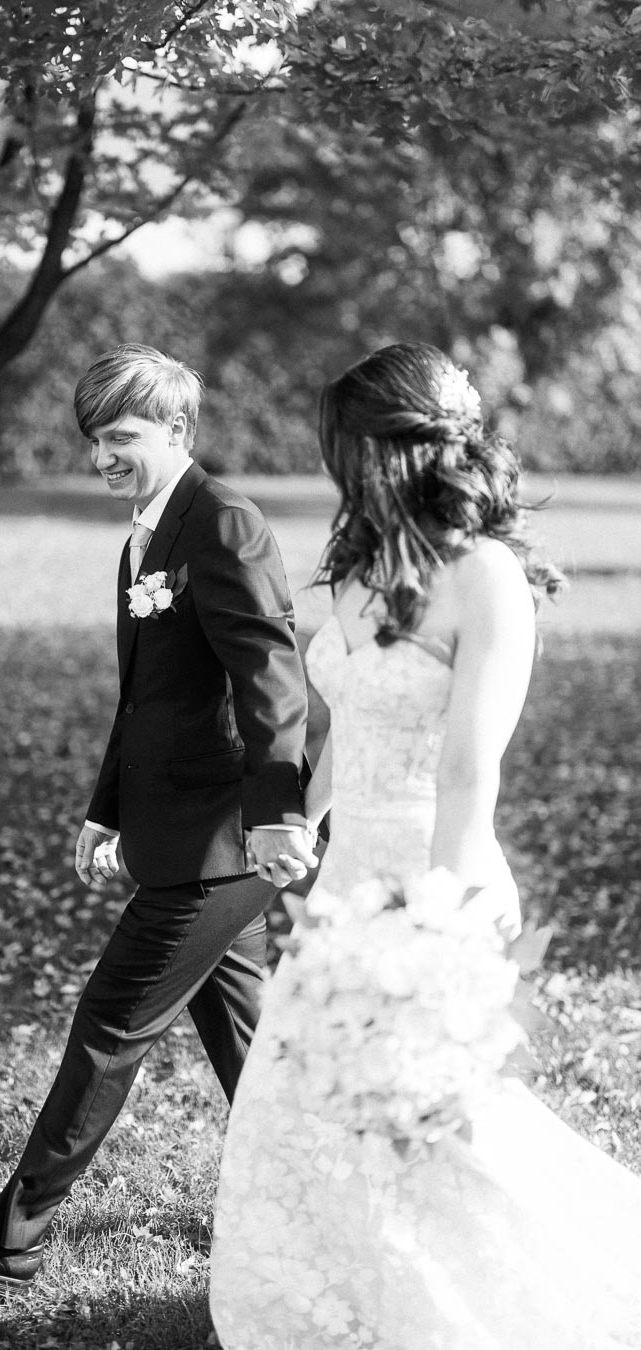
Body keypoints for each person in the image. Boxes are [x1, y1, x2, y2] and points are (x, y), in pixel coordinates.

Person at [209, 342, 641, 1349]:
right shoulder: (361, 567)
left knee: (437, 1125)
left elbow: (467, 773)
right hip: (348, 883)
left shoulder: (485, 576)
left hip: (434, 880)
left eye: (347, 451)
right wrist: (303, 819)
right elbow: (350, 721)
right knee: (307, 1105)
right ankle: (342, 1300)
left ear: (394, 450)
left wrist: (435, 928)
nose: (336, 472)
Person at [0, 343, 316, 1284]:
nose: (102, 456)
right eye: (95, 439)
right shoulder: (148, 533)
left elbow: (273, 678)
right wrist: (105, 809)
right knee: (253, 1045)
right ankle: (322, 1201)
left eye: (121, 436)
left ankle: (12, 1234)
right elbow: (148, 698)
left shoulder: (224, 523)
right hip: (176, 828)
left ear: (177, 429)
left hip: (226, 841)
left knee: (109, 1024)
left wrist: (280, 813)